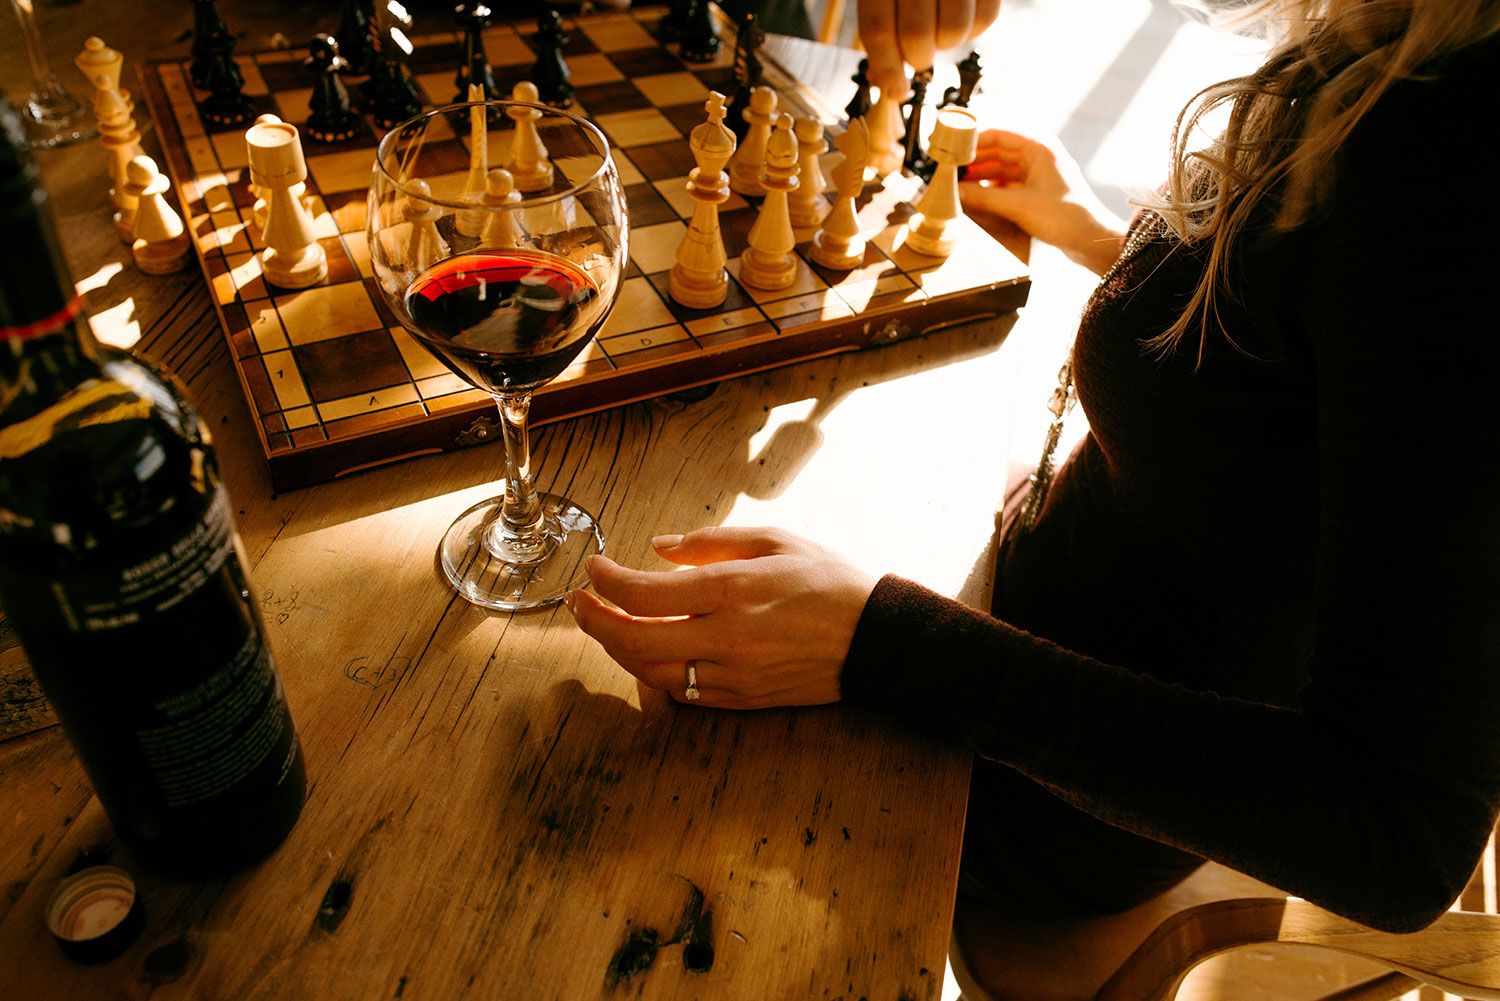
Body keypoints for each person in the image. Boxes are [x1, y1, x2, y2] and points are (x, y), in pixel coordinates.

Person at [568, 0, 1500, 935]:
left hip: (1054, 792)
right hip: (1009, 607)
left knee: (588, 796)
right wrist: (1108, 241)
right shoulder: (1414, 61)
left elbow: (1395, 834)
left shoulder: (1456, 157)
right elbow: (1320, 370)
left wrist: (876, 640)